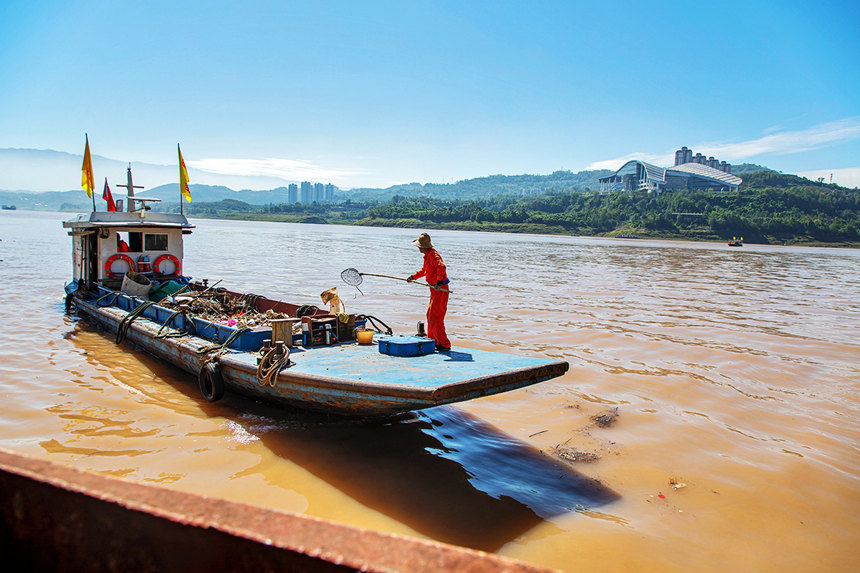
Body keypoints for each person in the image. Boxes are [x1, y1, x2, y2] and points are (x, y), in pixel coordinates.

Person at [406, 232, 451, 351]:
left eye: (419, 247)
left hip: (440, 289)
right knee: (430, 316)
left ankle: (444, 344)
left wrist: (439, 282)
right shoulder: (427, 256)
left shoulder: (433, 255)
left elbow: (442, 267)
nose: (418, 249)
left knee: (436, 317)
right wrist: (413, 277)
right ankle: (434, 341)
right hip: (434, 289)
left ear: (423, 247)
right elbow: (424, 271)